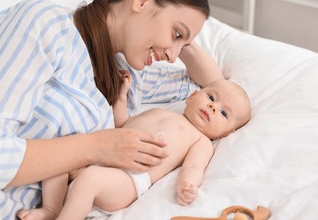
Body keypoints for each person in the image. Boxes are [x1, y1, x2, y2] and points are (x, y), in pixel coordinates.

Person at [0, 0, 217, 219]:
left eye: (183, 43)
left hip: (1, 209)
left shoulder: (128, 77)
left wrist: (183, 44)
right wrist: (99, 147)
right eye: (176, 33)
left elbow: (211, 87)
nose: (172, 55)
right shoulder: (45, 24)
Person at [17, 65, 251, 219]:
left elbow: (194, 167)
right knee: (61, 156)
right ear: (191, 97)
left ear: (224, 134)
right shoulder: (161, 111)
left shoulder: (200, 141)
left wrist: (188, 184)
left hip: (128, 180)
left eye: (223, 114)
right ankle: (51, 208)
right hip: (103, 157)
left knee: (89, 180)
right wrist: (121, 97)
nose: (213, 106)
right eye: (211, 97)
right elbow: (124, 123)